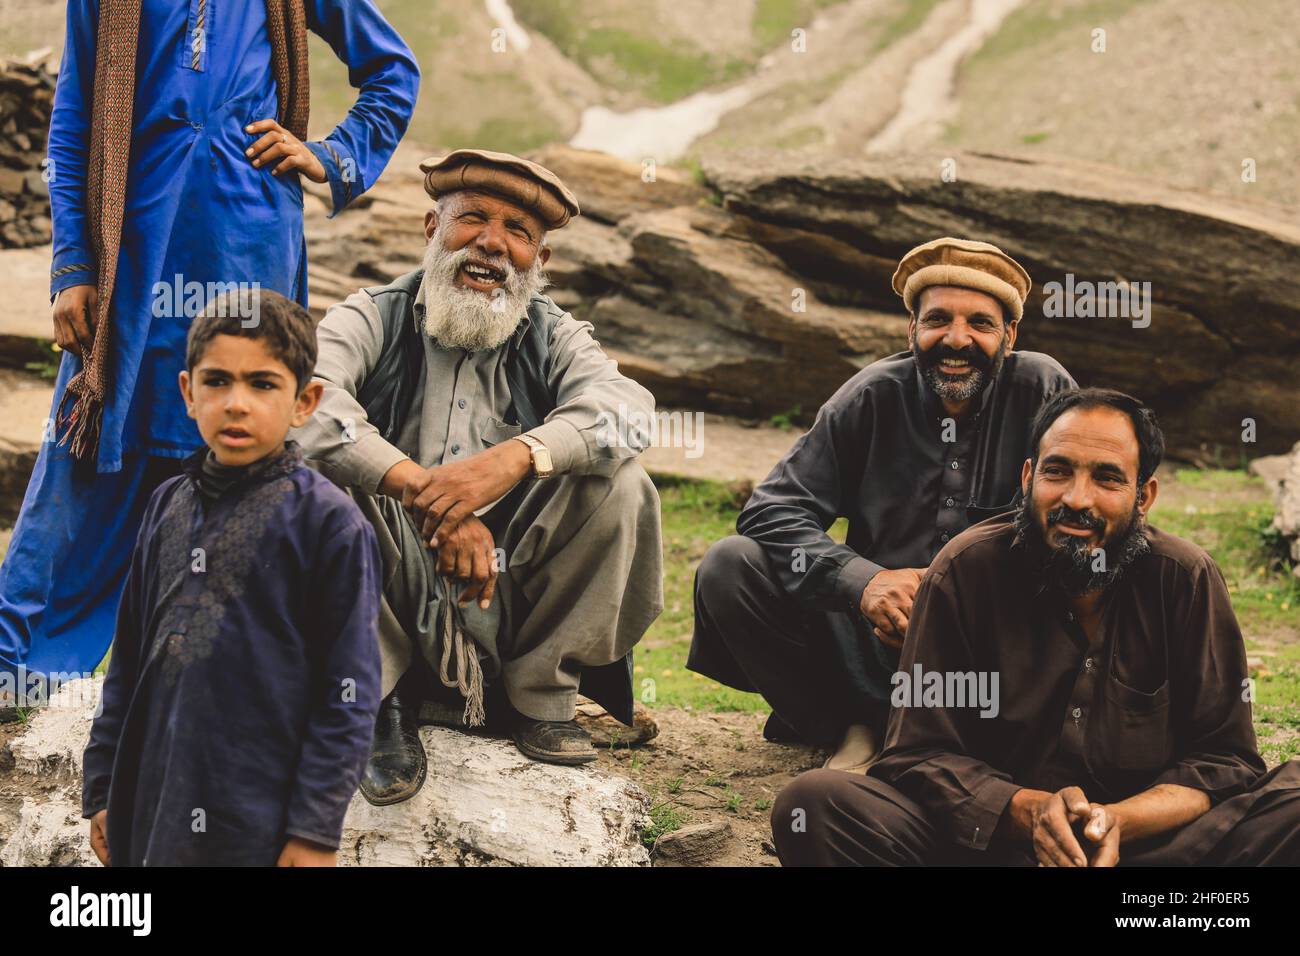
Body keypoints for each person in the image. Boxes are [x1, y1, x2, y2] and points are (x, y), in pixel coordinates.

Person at [1, 0, 418, 695]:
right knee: (90, 444)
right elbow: (73, 121)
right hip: (130, 251)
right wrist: (73, 267)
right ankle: (18, 669)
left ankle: (203, 665)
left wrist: (329, 155)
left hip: (245, 241)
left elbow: (391, 69)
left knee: (229, 442)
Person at [773, 388, 1300, 866]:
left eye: (1107, 477)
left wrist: (1113, 822)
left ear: (1144, 497)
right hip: (990, 847)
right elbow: (917, 754)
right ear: (1028, 479)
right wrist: (1029, 813)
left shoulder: (1184, 579)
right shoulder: (964, 570)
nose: (1077, 498)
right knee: (818, 803)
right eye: (1058, 471)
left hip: (1147, 855)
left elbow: (1225, 759)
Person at [294, 149, 663, 801]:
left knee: (622, 482)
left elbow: (631, 412)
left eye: (519, 232)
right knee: (324, 469)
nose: (492, 244)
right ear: (431, 231)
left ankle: (539, 698)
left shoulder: (553, 335)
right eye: (472, 219)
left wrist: (514, 459)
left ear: (538, 262)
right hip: (389, 580)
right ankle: (381, 698)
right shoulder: (372, 314)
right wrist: (419, 487)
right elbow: (308, 404)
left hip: (504, 592)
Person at [689, 237, 1075, 771]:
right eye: (938, 319)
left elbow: (1082, 511)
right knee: (730, 565)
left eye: (980, 324)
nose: (957, 340)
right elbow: (772, 511)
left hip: (995, 638)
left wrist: (967, 589)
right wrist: (865, 582)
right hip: (871, 639)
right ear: (911, 329)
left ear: (1009, 335)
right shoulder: (870, 394)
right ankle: (857, 724)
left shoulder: (1043, 389)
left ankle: (932, 732)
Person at [82, 289, 382, 867]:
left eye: (263, 384)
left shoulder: (328, 523)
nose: (236, 404)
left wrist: (314, 829)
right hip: (153, 800)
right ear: (187, 393)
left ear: (306, 401)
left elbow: (348, 692)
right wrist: (103, 789)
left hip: (258, 818)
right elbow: (126, 665)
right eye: (216, 382)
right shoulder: (166, 506)